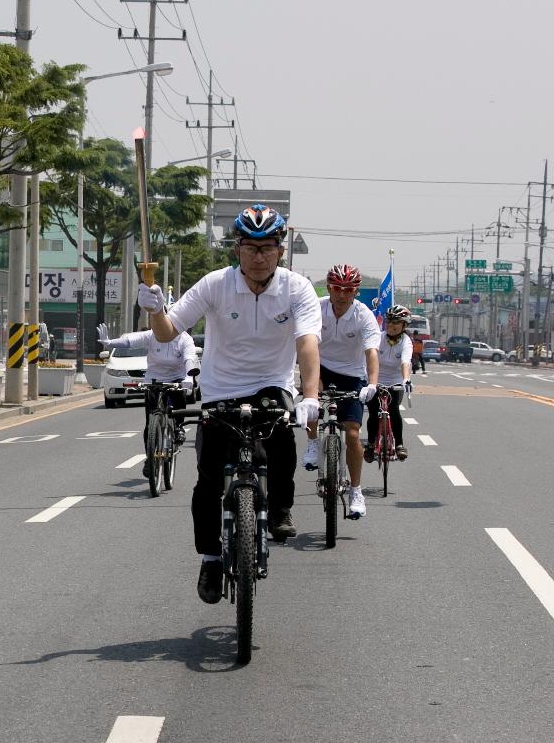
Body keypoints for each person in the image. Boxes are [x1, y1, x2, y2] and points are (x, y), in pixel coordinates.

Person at [138, 204, 321, 604]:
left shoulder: (298, 289)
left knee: (280, 442)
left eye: (267, 247)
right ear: (237, 249)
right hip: (220, 388)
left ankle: (279, 510)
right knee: (207, 478)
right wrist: (155, 309)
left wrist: (309, 396)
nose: (259, 256)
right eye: (251, 247)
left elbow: (307, 343)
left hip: (271, 383)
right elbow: (169, 332)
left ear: (280, 250)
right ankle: (209, 557)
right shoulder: (214, 285)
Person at [300, 264, 381, 519]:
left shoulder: (363, 315)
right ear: (329, 287)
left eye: (348, 290)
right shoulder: (317, 307)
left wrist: (372, 383)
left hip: (352, 375)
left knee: (354, 434)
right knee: (312, 398)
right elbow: (303, 338)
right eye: (336, 288)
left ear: (355, 291)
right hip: (320, 366)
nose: (341, 294)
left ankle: (356, 491)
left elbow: (371, 352)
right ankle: (313, 444)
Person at [95, 322, 199, 458]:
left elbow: (189, 358)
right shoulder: (151, 335)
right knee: (150, 422)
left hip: (177, 377)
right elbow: (129, 341)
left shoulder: (184, 339)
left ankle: (178, 427)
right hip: (153, 378)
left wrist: (189, 377)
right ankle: (149, 458)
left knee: (178, 397)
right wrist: (109, 342)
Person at [366, 304, 414, 463]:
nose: (392, 326)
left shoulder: (406, 342)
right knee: (373, 412)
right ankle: (371, 444)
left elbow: (405, 362)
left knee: (394, 410)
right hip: (376, 379)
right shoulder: (378, 337)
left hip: (395, 381)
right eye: (390, 322)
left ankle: (400, 445)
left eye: (396, 323)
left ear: (404, 325)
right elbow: (367, 357)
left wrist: (406, 380)